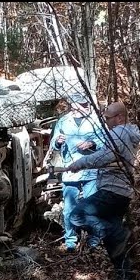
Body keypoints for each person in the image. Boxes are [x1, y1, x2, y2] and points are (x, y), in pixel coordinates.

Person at [66, 102, 140, 280]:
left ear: (119, 117)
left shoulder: (120, 132)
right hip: (122, 192)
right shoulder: (127, 133)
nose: (105, 121)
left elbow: (105, 156)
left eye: (107, 118)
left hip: (113, 191)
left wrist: (80, 163)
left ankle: (119, 233)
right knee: (114, 244)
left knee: (77, 215)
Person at [49, 93, 107, 253]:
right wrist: (58, 142)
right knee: (69, 208)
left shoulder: (96, 121)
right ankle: (70, 242)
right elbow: (54, 144)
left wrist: (92, 143)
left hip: (91, 170)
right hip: (71, 170)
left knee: (93, 206)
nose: (82, 108)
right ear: (72, 105)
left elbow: (105, 141)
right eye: (78, 104)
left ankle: (94, 240)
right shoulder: (63, 121)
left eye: (85, 105)